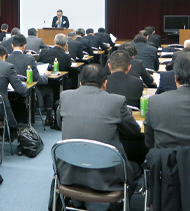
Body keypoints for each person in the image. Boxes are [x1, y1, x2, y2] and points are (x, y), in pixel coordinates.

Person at [57, 64, 141, 201]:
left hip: (68, 172)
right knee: (135, 169)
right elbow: (134, 131)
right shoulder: (116, 101)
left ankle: (77, 206)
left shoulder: (65, 96)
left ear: (80, 82)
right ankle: (113, 209)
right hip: (108, 176)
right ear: (105, 83)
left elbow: (61, 124)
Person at [6, 34, 51, 123]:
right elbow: (36, 79)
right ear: (25, 45)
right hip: (27, 91)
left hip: (9, 93)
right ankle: (49, 118)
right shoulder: (29, 59)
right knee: (49, 90)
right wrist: (45, 76)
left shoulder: (6, 58)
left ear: (12, 45)